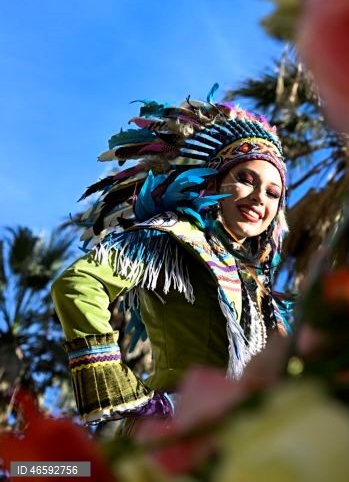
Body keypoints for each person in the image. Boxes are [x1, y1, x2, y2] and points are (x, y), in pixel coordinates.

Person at [51, 85, 292, 425]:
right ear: (213, 181)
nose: (259, 198)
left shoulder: (260, 288)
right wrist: (116, 385)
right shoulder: (174, 235)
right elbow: (78, 284)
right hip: (173, 430)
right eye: (246, 179)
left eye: (273, 193)